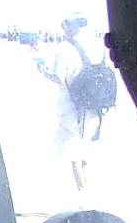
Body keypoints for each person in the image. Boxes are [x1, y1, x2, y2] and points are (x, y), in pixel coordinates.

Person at [37, 15, 120, 192]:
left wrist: (42, 71)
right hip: (94, 105)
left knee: (73, 151)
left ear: (67, 26)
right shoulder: (96, 45)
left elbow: (59, 78)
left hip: (72, 106)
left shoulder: (64, 48)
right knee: (83, 149)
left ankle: (83, 193)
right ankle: (86, 189)